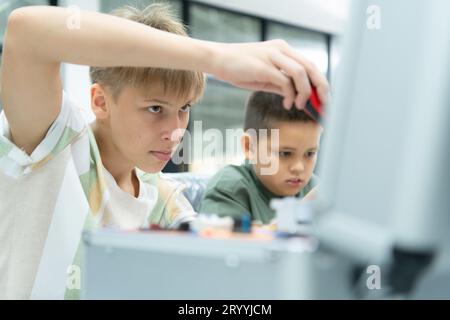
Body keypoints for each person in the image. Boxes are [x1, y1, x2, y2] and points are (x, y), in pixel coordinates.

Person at [0, 4, 329, 299]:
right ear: (100, 101)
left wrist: (312, 212)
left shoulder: (162, 198)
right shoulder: (57, 142)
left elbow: (214, 264)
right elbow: (26, 31)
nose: (175, 131)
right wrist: (218, 58)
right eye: (155, 108)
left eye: (184, 108)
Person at [200, 91, 322, 224]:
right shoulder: (228, 189)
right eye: (285, 153)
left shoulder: (316, 189)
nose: (299, 167)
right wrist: (298, 214)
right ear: (249, 146)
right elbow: (227, 242)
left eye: (310, 153)